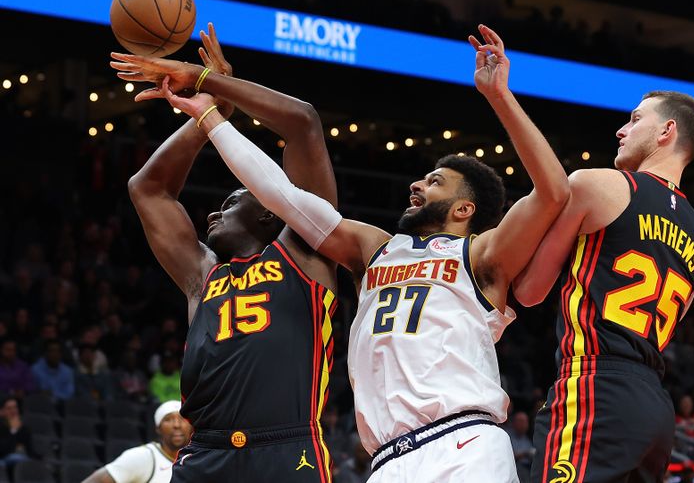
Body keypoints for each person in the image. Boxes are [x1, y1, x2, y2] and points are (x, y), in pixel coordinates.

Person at [159, 24, 568, 482]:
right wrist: (211, 119)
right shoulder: (374, 248)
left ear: (464, 208)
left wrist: (499, 97)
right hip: (388, 459)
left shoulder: (483, 254)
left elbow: (553, 191)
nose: (417, 183)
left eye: (435, 182)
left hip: (464, 443)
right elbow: (281, 194)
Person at [110, 22, 338, 481]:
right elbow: (148, 189)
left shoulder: (307, 249)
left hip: (287, 448)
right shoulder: (203, 275)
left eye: (233, 202)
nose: (215, 212)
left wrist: (208, 82)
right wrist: (210, 117)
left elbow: (303, 124)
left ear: (270, 214)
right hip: (205, 454)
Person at [513, 91, 694, 481]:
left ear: (666, 131)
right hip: (654, 408)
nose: (622, 130)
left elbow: (529, 291)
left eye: (636, 119)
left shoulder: (596, 185)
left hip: (594, 388)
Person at [82, 400, 191, 483]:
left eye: (182, 419)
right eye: (168, 419)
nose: (177, 425)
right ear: (158, 428)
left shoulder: (198, 458)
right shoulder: (143, 456)